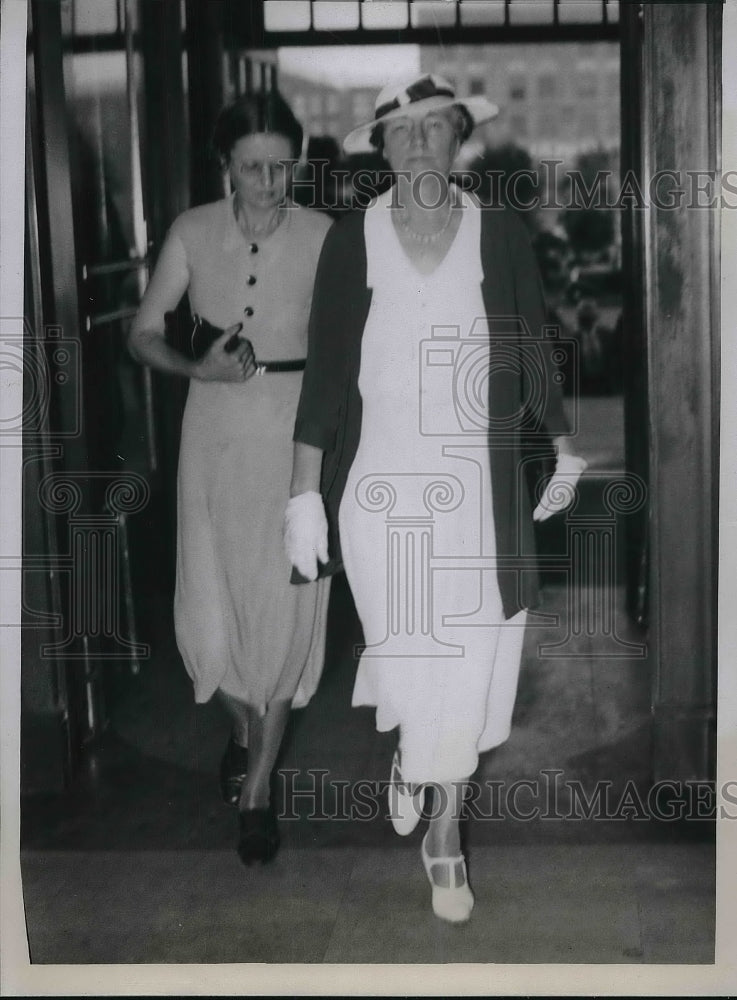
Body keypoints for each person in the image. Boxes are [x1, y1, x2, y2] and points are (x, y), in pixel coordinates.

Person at [285, 74, 586, 923]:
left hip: (478, 487)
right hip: (380, 490)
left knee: (470, 661)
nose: (418, 141)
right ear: (380, 147)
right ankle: (428, 782)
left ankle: (438, 816)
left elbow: (529, 345)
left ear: (459, 139)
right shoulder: (353, 241)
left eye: (435, 126)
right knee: (416, 648)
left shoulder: (498, 234)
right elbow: (326, 378)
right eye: (401, 129)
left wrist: (561, 448)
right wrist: (303, 495)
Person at [128, 92, 332, 866]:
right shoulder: (190, 231)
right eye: (252, 166)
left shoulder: (323, 237)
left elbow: (350, 345)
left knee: (282, 608)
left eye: (283, 165)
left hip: (294, 441)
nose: (269, 181)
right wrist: (194, 367)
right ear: (226, 167)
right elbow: (142, 333)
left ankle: (256, 793)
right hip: (211, 436)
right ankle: (245, 732)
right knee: (211, 613)